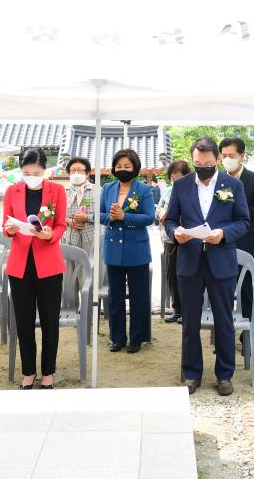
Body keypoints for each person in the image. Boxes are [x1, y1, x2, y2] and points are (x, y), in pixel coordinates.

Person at [165, 137, 249, 396]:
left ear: (217, 161)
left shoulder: (232, 184)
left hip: (220, 258)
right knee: (189, 320)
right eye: (198, 163)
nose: (203, 167)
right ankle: (192, 373)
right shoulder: (181, 186)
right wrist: (176, 232)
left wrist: (223, 233)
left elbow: (244, 221)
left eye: (208, 163)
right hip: (189, 259)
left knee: (224, 319)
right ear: (193, 161)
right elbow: (169, 220)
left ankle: (224, 374)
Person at [3, 147, 67, 389]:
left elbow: (61, 224)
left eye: (37, 172)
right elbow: (6, 222)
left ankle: (48, 371)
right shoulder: (12, 190)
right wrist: (9, 229)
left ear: (45, 170)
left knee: (50, 320)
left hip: (48, 262)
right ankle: (28, 371)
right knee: (24, 320)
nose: (31, 176)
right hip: (20, 263)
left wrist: (51, 234)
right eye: (26, 172)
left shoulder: (57, 190)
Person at [100, 149, 155, 354]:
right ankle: (117, 337)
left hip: (137, 250)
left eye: (127, 166)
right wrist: (111, 218)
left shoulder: (144, 189)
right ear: (114, 168)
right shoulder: (107, 188)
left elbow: (150, 217)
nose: (122, 170)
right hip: (113, 248)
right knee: (115, 296)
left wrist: (124, 216)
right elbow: (99, 214)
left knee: (139, 296)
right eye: (119, 166)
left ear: (135, 168)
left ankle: (137, 338)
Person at [220, 137, 254, 322]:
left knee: (246, 289)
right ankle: (224, 330)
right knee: (223, 289)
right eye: (223, 156)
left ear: (242, 156)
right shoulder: (217, 179)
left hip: (247, 241)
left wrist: (236, 208)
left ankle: (247, 334)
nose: (227, 159)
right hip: (221, 242)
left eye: (231, 155)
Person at [158, 159, 192, 324]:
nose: (174, 180)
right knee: (171, 274)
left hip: (187, 237)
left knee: (186, 274)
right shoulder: (167, 192)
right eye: (172, 177)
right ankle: (176, 309)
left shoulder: (192, 190)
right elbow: (159, 209)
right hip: (170, 238)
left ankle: (188, 310)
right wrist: (161, 214)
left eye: (177, 177)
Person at [62, 156, 100, 256]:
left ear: (87, 173)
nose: (76, 173)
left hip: (92, 238)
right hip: (69, 237)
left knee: (90, 267)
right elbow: (56, 214)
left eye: (80, 170)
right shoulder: (63, 192)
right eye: (73, 170)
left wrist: (87, 217)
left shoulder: (97, 190)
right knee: (71, 268)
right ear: (69, 173)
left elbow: (104, 214)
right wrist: (69, 221)